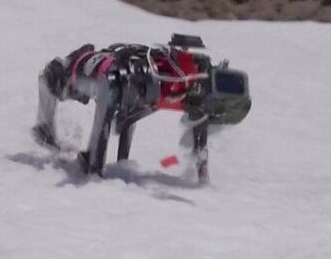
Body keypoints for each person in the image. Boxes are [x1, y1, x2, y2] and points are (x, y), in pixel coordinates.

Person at [32, 34, 251, 183]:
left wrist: (201, 171)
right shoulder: (106, 78)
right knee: (51, 77)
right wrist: (94, 167)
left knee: (122, 108)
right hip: (99, 73)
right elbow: (101, 141)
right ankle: (45, 131)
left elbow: (198, 116)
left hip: (114, 74)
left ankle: (47, 131)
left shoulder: (179, 85)